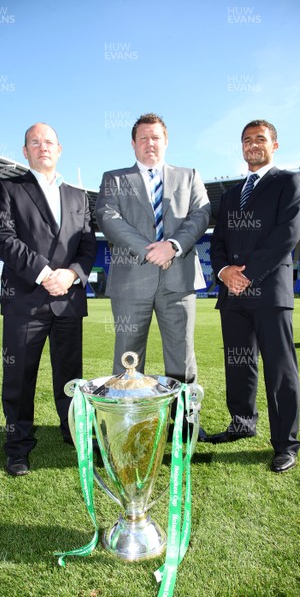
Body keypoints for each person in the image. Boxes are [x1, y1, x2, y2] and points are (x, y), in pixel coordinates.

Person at [0, 123, 97, 476]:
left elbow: (87, 244)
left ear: (60, 148)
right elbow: (3, 237)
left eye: (48, 141)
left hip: (68, 298)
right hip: (26, 300)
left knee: (70, 376)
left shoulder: (79, 196)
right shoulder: (7, 188)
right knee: (19, 378)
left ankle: (72, 432)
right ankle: (17, 447)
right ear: (25, 152)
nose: (42, 146)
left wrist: (71, 274)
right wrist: (44, 273)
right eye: (34, 142)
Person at [95, 112, 211, 439]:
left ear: (166, 140)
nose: (150, 143)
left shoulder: (190, 176)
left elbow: (201, 214)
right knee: (128, 359)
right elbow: (108, 217)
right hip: (132, 282)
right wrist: (150, 249)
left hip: (179, 281)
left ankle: (186, 427)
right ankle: (128, 427)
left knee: (182, 360)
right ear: (133, 143)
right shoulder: (114, 179)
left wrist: (173, 245)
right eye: (143, 138)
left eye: (155, 137)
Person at [209, 119, 300, 473]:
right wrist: (224, 273)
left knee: (280, 369)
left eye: (260, 139)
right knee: (239, 362)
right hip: (233, 293)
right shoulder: (232, 194)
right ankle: (241, 423)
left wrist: (248, 274)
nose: (253, 144)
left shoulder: (290, 182)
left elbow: (287, 235)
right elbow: (217, 239)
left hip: (269, 291)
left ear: (274, 145)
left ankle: (286, 443)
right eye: (247, 140)